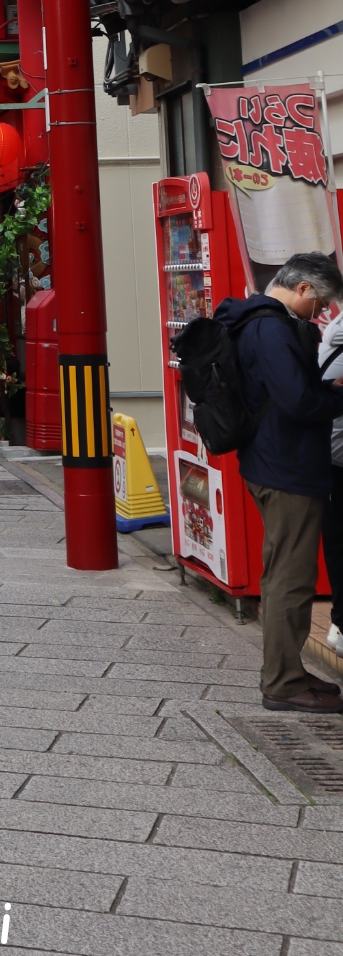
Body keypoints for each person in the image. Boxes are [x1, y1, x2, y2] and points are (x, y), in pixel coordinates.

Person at [217, 251, 343, 712]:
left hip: (269, 462)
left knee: (283, 574)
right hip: (287, 467)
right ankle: (283, 682)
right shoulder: (271, 328)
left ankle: (288, 671)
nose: (323, 311)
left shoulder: (256, 319)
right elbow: (297, 403)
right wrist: (336, 401)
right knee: (291, 578)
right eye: (322, 301)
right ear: (304, 288)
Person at [319, 306, 343, 656]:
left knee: (337, 536)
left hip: (328, 456)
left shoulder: (334, 329)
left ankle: (339, 623)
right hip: (338, 456)